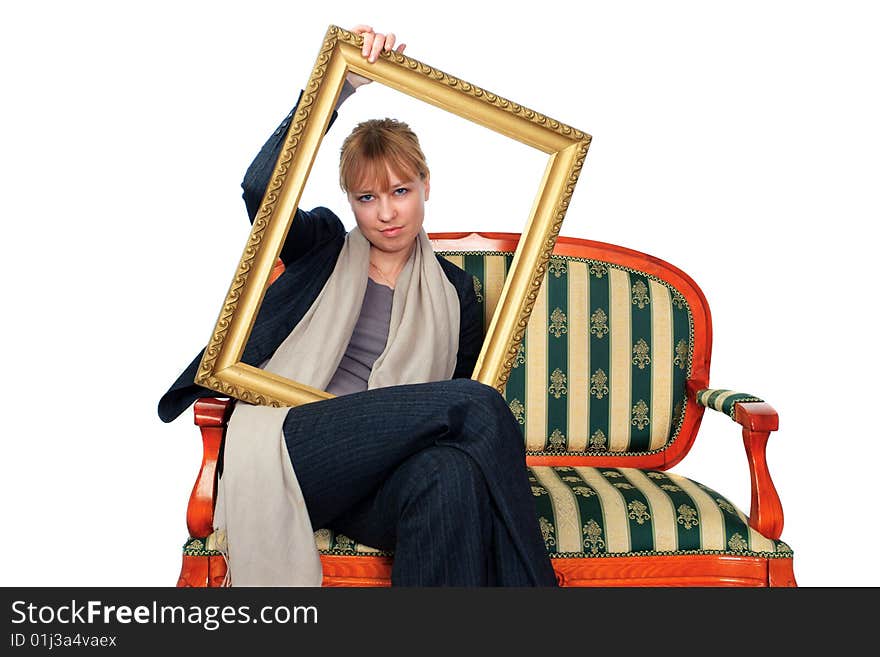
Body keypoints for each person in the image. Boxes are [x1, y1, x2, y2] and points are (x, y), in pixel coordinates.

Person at [158, 25, 558, 587]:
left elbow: (441, 422)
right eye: (368, 198)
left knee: (448, 475)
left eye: (400, 191)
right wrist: (334, 89)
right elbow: (259, 189)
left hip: (379, 470)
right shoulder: (320, 247)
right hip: (292, 445)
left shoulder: (455, 293)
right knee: (477, 405)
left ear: (425, 186)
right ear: (351, 202)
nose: (386, 213)